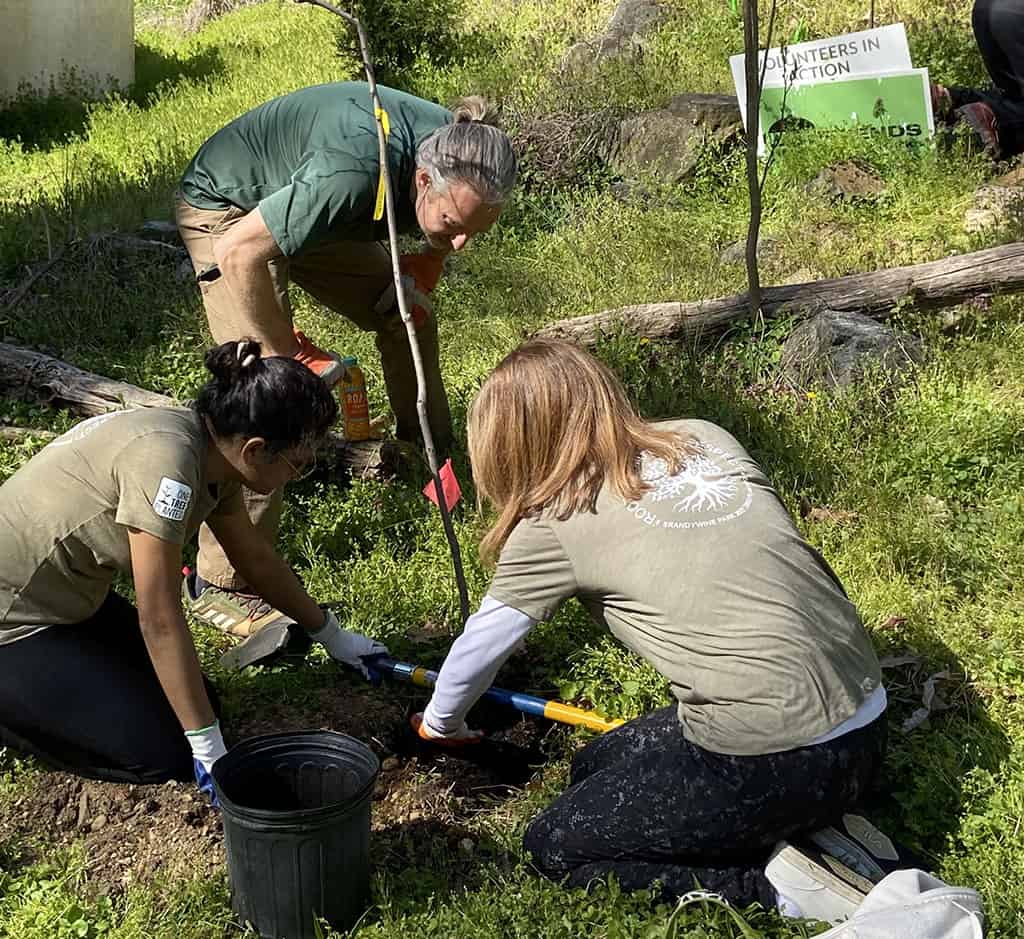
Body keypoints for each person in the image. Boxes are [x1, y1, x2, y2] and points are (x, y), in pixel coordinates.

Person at [413, 339, 891, 924]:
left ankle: (783, 890)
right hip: (866, 715)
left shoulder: (553, 522)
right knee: (595, 765)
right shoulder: (701, 437)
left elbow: (479, 648)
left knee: (555, 846)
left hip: (774, 759)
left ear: (509, 444)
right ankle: (821, 829)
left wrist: (440, 726)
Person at [175, 80, 518, 632]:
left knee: (407, 313)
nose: (460, 245)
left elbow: (420, 231)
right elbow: (238, 253)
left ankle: (425, 453)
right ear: (424, 181)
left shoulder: (462, 145)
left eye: (474, 232)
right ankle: (221, 584)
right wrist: (288, 364)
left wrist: (421, 263)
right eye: (454, 227)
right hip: (230, 214)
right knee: (266, 405)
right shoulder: (353, 171)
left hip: (310, 205)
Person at [0, 341, 387, 794]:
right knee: (165, 753)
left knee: (204, 708)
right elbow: (159, 616)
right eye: (296, 466)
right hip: (14, 622)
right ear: (256, 450)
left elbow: (254, 558)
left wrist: (332, 635)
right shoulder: (167, 468)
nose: (294, 477)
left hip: (69, 603)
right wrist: (206, 746)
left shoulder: (209, 452)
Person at [933, 0, 1024, 158]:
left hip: (986, 8)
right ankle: (995, 122)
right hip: (1012, 13)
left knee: (1014, 94)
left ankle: (950, 99)